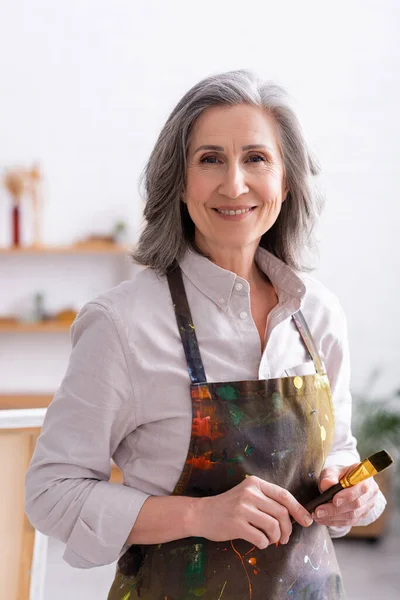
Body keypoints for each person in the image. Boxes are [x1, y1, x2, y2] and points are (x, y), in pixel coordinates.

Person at [25, 70, 386, 600]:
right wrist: (200, 515)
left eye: (256, 159)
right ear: (179, 181)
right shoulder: (121, 323)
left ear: (285, 182)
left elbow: (338, 455)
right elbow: (50, 495)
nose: (234, 184)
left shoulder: (319, 314)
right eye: (210, 159)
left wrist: (354, 495)